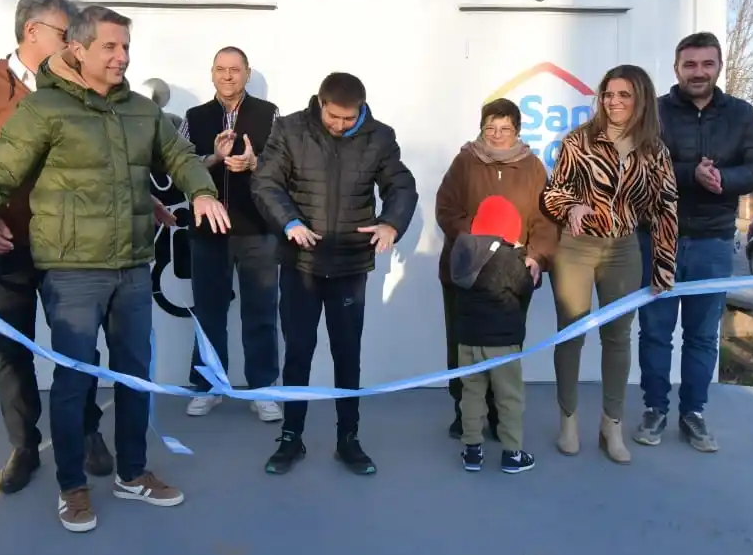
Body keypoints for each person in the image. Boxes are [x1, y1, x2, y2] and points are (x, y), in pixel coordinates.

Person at [0, 5, 230, 534]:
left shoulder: (141, 111)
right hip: (73, 272)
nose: (122, 56)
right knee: (75, 379)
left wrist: (201, 191)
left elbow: (181, 155)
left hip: (131, 267)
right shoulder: (43, 110)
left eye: (126, 46)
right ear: (77, 49)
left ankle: (131, 471)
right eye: (110, 46)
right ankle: (72, 487)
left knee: (133, 376)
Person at [0, 0, 116, 494]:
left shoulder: (81, 89)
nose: (76, 45)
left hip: (68, 247)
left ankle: (86, 432)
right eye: (67, 35)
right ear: (32, 31)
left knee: (78, 347)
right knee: (10, 350)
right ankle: (23, 445)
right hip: (1, 245)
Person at [251, 71, 418, 476]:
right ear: (320, 103)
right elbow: (265, 183)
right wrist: (289, 223)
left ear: (361, 109)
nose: (341, 126)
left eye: (349, 118)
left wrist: (391, 223)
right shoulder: (289, 129)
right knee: (298, 354)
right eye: (334, 117)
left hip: (349, 265)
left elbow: (401, 185)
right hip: (300, 264)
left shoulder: (379, 136)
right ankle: (291, 437)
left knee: (347, 355)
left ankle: (349, 439)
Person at [635, 32, 753, 453]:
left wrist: (724, 180)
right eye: (689, 65)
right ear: (676, 68)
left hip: (713, 241)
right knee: (656, 332)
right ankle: (655, 409)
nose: (698, 72)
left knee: (702, 336)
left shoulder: (741, 114)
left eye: (706, 64)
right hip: (660, 238)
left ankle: (693, 412)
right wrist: (692, 172)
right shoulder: (653, 113)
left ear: (718, 67)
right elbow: (641, 167)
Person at [540, 64, 677, 466]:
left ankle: (610, 426)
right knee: (571, 335)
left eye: (623, 95)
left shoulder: (655, 150)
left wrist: (663, 265)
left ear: (641, 101)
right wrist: (572, 205)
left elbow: (665, 209)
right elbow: (552, 194)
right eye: (608, 94)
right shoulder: (579, 141)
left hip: (624, 251)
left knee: (618, 337)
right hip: (576, 248)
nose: (613, 102)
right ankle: (568, 421)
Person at [434, 97, 557, 441]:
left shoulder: (533, 168)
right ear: (482, 129)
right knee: (462, 345)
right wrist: (478, 239)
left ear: (517, 130)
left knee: (503, 348)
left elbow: (545, 220)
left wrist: (537, 256)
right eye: (491, 128)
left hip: (513, 275)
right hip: (466, 273)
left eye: (505, 129)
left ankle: (499, 414)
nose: (498, 135)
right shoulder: (464, 162)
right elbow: (446, 210)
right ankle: (465, 412)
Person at [177, 46, 283, 422]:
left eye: (234, 70)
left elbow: (284, 168)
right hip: (208, 231)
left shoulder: (270, 116)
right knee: (208, 312)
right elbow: (182, 167)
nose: (227, 76)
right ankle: (208, 386)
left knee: (261, 312)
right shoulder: (195, 116)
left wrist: (256, 163)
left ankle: (263, 389)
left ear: (247, 73)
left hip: (257, 229)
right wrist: (215, 159)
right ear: (211, 73)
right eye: (220, 69)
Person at [447, 195, 538, 474]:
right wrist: (525, 261)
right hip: (502, 342)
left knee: (471, 393)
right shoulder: (508, 258)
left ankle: (472, 450)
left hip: (468, 340)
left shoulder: (462, 253)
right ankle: (512, 453)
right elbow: (525, 286)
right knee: (509, 396)